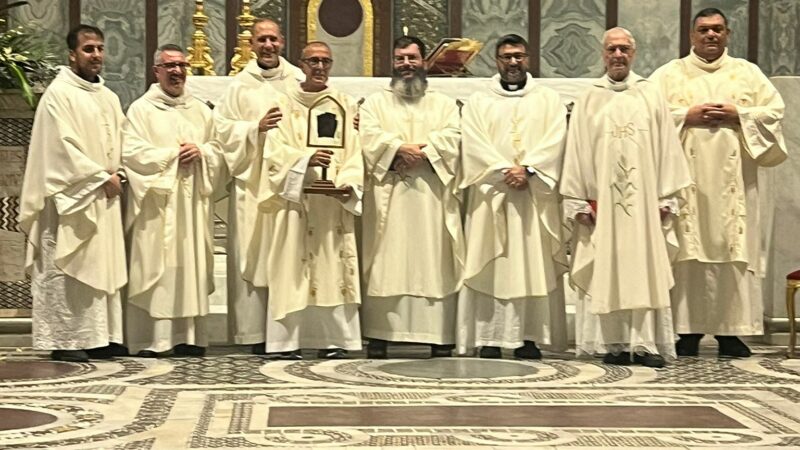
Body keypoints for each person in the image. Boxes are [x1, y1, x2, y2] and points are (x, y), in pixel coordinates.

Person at [650, 8, 787, 358]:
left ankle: (731, 332)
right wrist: (687, 116)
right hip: (685, 182)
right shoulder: (668, 74)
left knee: (733, 248)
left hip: (735, 183)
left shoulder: (748, 73)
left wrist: (738, 114)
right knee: (686, 251)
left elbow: (774, 111)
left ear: (728, 33)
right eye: (704, 30)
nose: (711, 35)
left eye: (717, 29)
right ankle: (687, 330)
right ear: (691, 36)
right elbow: (646, 115)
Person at [561, 28, 692, 367]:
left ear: (633, 53)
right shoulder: (590, 97)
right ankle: (613, 344)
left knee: (643, 269)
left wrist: (668, 197)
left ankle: (646, 344)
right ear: (602, 55)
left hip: (645, 205)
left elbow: (667, 147)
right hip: (601, 205)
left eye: (623, 49)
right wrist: (578, 200)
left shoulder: (650, 94)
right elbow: (576, 150)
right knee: (609, 267)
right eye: (611, 49)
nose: (617, 55)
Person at [19, 25, 127, 362]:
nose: (96, 55)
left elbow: (123, 140)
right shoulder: (59, 95)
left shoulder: (108, 97)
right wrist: (98, 177)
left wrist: (120, 172)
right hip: (70, 197)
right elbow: (60, 148)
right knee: (67, 265)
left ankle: (100, 336)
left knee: (99, 265)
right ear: (72, 54)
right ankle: (66, 339)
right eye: (88, 49)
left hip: (103, 193)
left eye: (99, 48)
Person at [457, 34, 568, 359]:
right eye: (507, 56)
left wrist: (530, 169)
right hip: (494, 194)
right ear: (497, 60)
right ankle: (490, 337)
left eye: (519, 56)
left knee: (531, 265)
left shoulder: (548, 99)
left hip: (532, 195)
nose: (513, 62)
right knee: (495, 264)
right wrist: (504, 169)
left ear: (528, 58)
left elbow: (556, 139)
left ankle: (529, 337)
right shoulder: (480, 101)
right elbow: (473, 141)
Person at [359, 36, 464, 359]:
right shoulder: (375, 103)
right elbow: (367, 135)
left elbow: (454, 137)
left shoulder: (443, 104)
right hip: (388, 196)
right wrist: (397, 149)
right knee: (387, 259)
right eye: (401, 58)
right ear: (392, 63)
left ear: (424, 62)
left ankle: (437, 335)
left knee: (432, 259)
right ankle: (380, 334)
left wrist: (425, 152)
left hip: (430, 197)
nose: (407, 64)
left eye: (413, 58)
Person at [259, 42, 363, 359]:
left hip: (331, 207)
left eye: (325, 61)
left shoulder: (344, 103)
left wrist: (348, 183)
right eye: (313, 61)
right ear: (301, 65)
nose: (319, 67)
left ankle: (335, 341)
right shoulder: (282, 102)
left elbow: (356, 150)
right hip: (295, 205)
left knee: (332, 269)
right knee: (291, 269)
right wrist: (305, 161)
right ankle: (286, 342)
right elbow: (274, 151)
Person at [122, 44, 223, 357]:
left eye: (181, 65)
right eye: (169, 66)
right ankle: (156, 339)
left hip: (192, 206)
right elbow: (130, 153)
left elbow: (218, 150)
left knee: (189, 265)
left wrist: (202, 153)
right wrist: (172, 156)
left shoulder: (201, 110)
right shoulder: (141, 109)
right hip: (157, 204)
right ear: (157, 71)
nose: (177, 72)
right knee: (158, 267)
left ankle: (189, 338)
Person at [213, 18, 303, 354]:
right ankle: (254, 334)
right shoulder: (239, 86)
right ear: (251, 45)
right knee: (252, 253)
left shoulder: (298, 80)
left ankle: (288, 336)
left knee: (286, 256)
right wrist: (255, 128)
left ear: (282, 42)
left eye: (273, 39)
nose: (268, 45)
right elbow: (220, 131)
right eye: (261, 40)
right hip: (252, 184)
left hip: (287, 186)